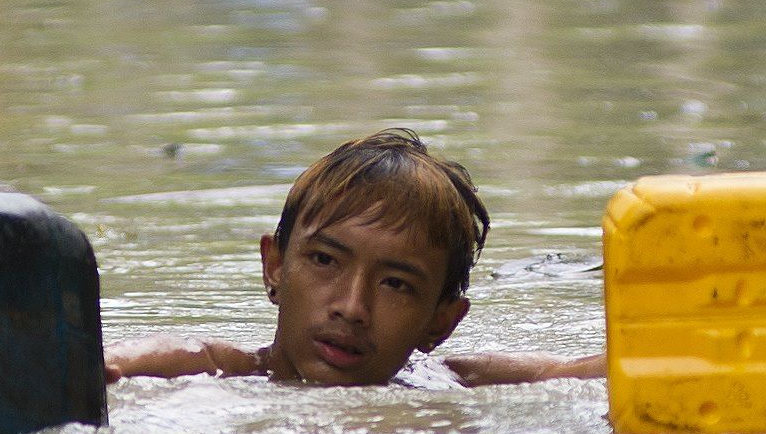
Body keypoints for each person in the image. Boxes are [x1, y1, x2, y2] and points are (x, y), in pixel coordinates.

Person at [104, 128, 602, 387]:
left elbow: (565, 373)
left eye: (396, 284)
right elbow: (173, 354)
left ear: (441, 322)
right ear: (274, 266)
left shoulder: (442, 382)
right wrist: (103, 366)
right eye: (324, 260)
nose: (352, 306)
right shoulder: (235, 372)